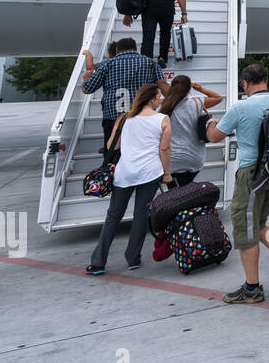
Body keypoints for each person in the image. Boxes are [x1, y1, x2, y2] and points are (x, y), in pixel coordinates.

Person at [204, 64, 269, 303]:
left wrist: (209, 123)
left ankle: (252, 288)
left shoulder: (241, 107)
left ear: (245, 83)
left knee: (245, 228)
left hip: (251, 174)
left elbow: (214, 137)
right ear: (266, 80)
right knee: (258, 220)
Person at [85, 83, 172, 274]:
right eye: (159, 96)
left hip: (124, 172)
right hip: (149, 173)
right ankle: (133, 258)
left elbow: (112, 146)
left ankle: (98, 262)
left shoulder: (124, 118)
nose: (161, 99)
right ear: (151, 99)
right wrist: (167, 173)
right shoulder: (163, 119)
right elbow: (164, 149)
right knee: (141, 216)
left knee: (113, 216)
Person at [81, 37, 167, 161]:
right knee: (143, 153)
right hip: (142, 117)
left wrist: (85, 79)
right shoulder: (150, 63)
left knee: (113, 156)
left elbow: (87, 89)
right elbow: (162, 84)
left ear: (117, 49)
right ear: (135, 48)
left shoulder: (108, 65)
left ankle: (113, 176)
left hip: (113, 118)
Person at [157, 75, 223, 185]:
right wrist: (200, 89)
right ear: (189, 88)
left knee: (174, 197)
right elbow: (218, 98)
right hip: (194, 158)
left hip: (172, 159)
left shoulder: (164, 105)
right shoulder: (197, 102)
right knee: (187, 194)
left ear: (172, 87)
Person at [123, 0, 188, 68]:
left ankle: (146, 61)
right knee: (165, 34)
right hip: (167, 10)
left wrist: (128, 13)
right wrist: (184, 14)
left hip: (148, 11)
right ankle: (162, 58)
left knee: (148, 36)